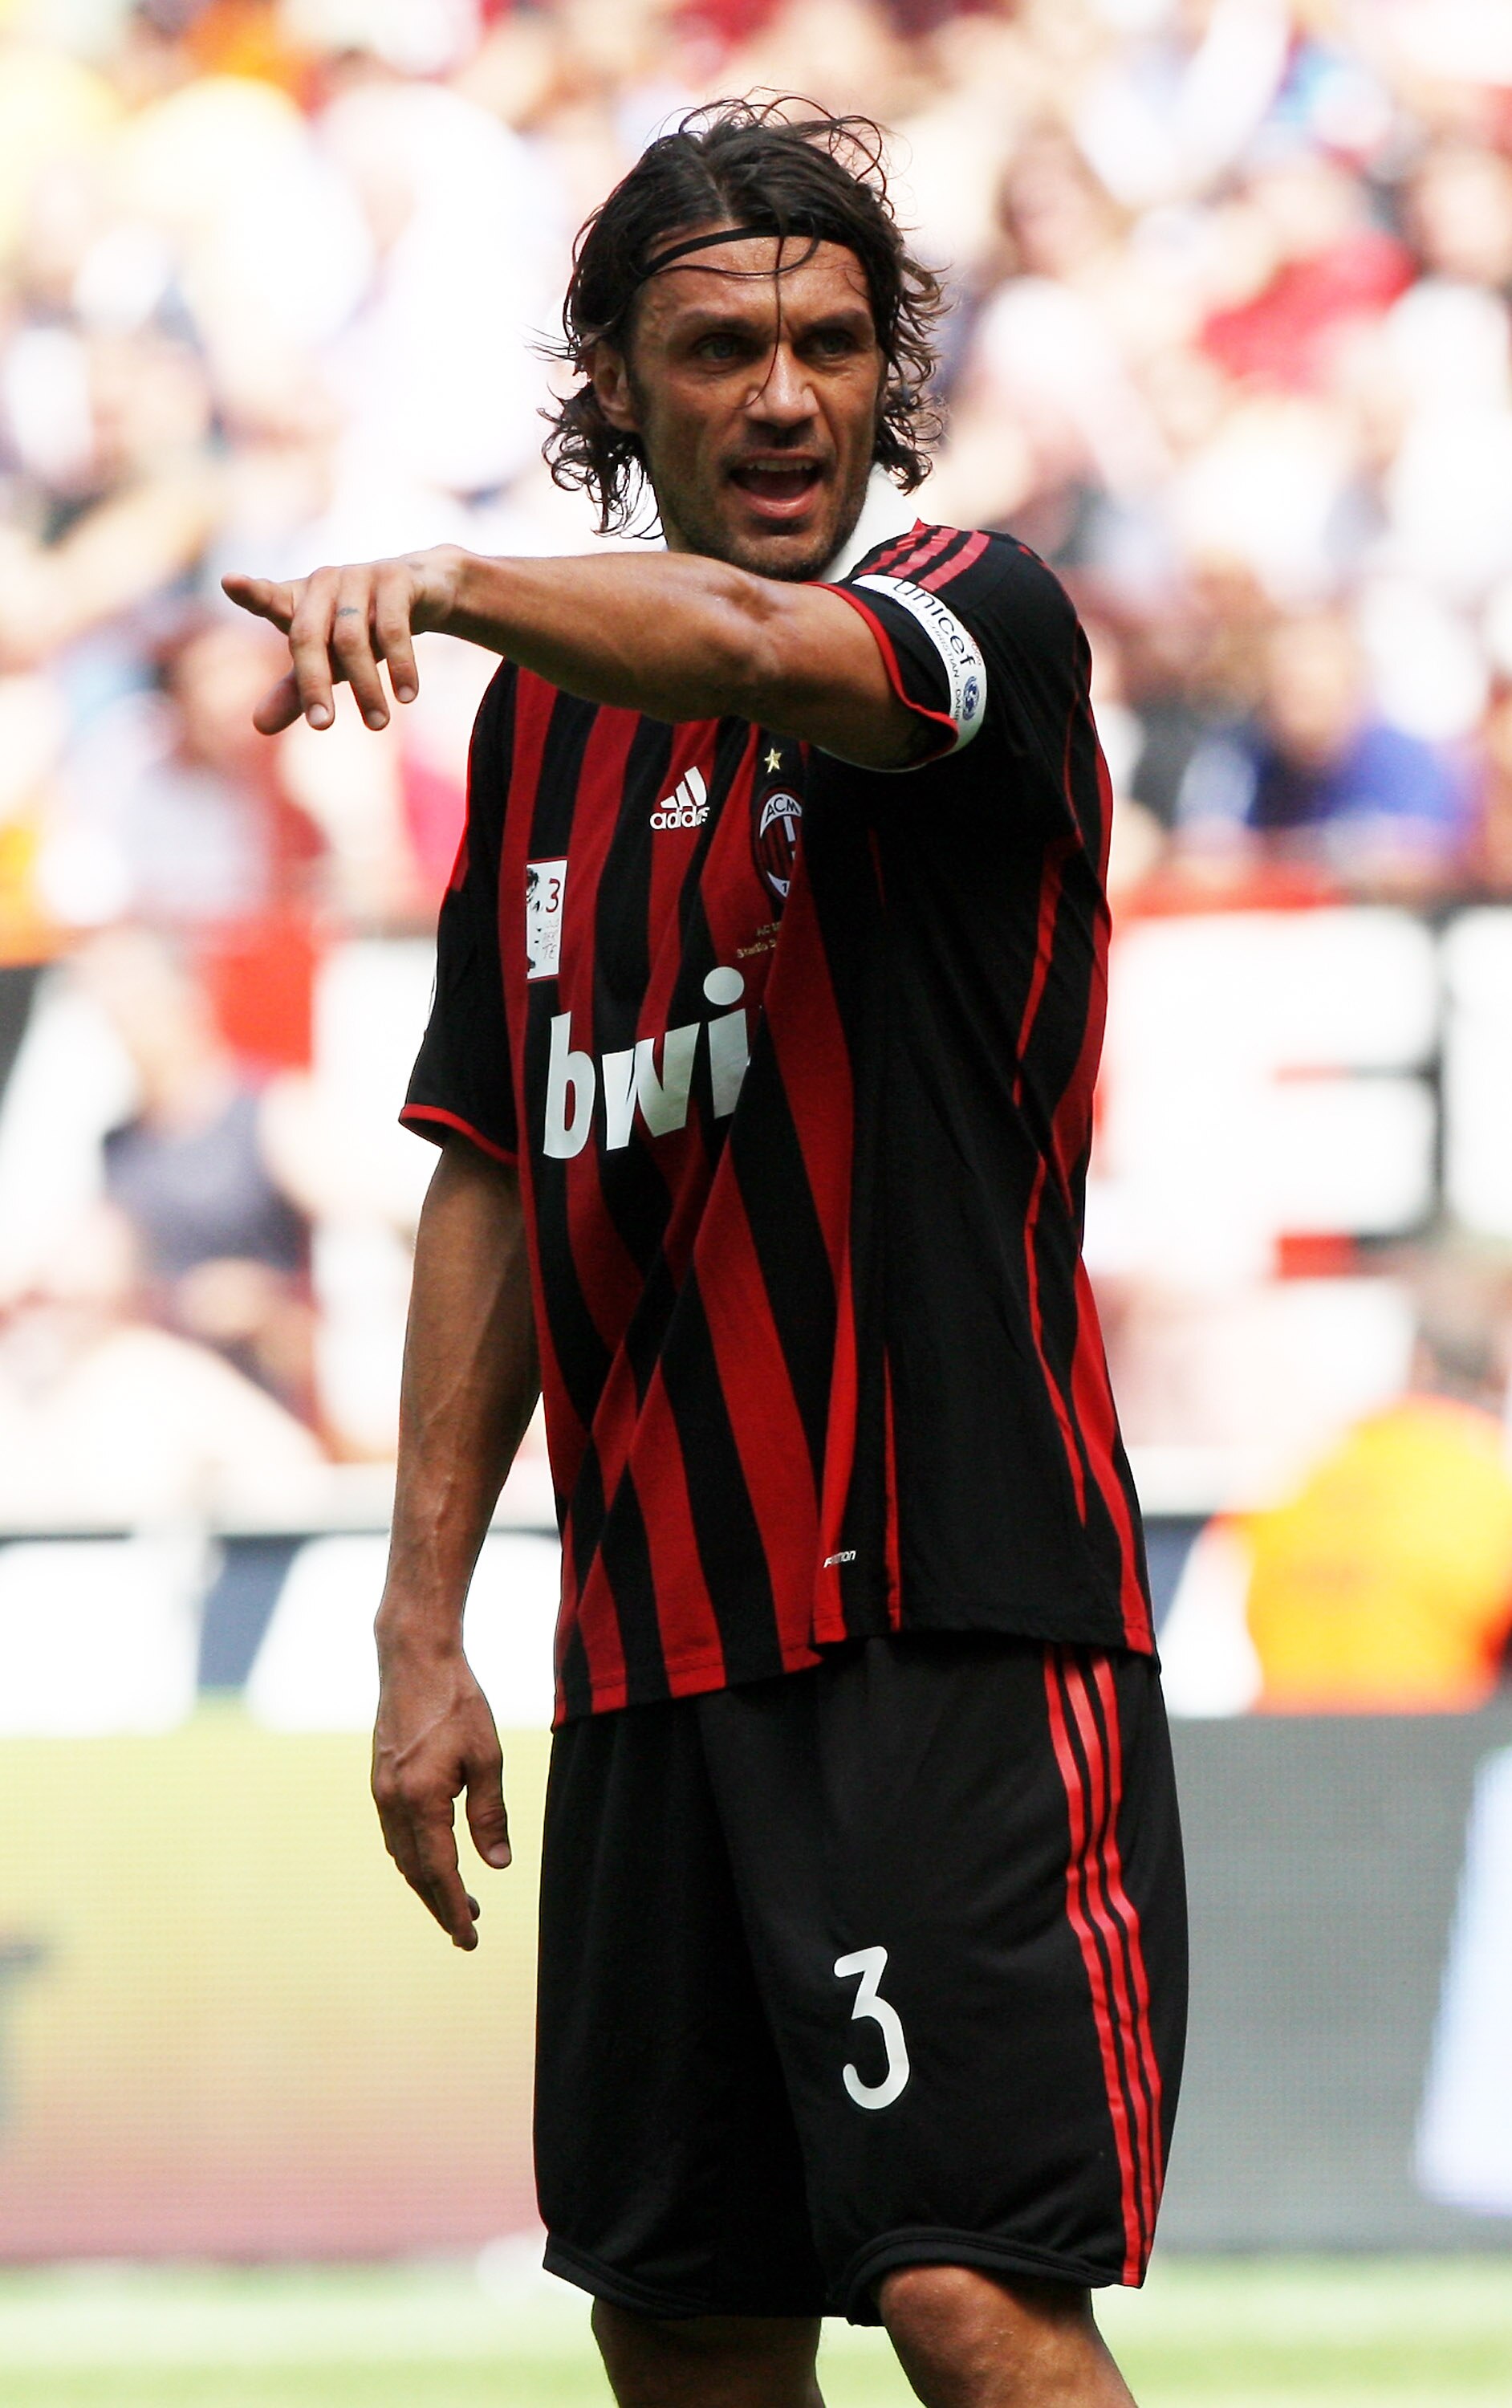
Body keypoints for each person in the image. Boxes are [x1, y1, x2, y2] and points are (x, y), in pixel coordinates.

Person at [227, 100, 1186, 2408]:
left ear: (885, 376)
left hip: (940, 1607)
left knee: (967, 2297)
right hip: (652, 1643)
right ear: (616, 385)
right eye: (721, 348)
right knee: (680, 2322)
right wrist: (418, 1621)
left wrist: (442, 578)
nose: (783, 396)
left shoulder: (975, 617)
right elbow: (489, 1161)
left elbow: (764, 654)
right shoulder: (545, 735)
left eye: (832, 347)